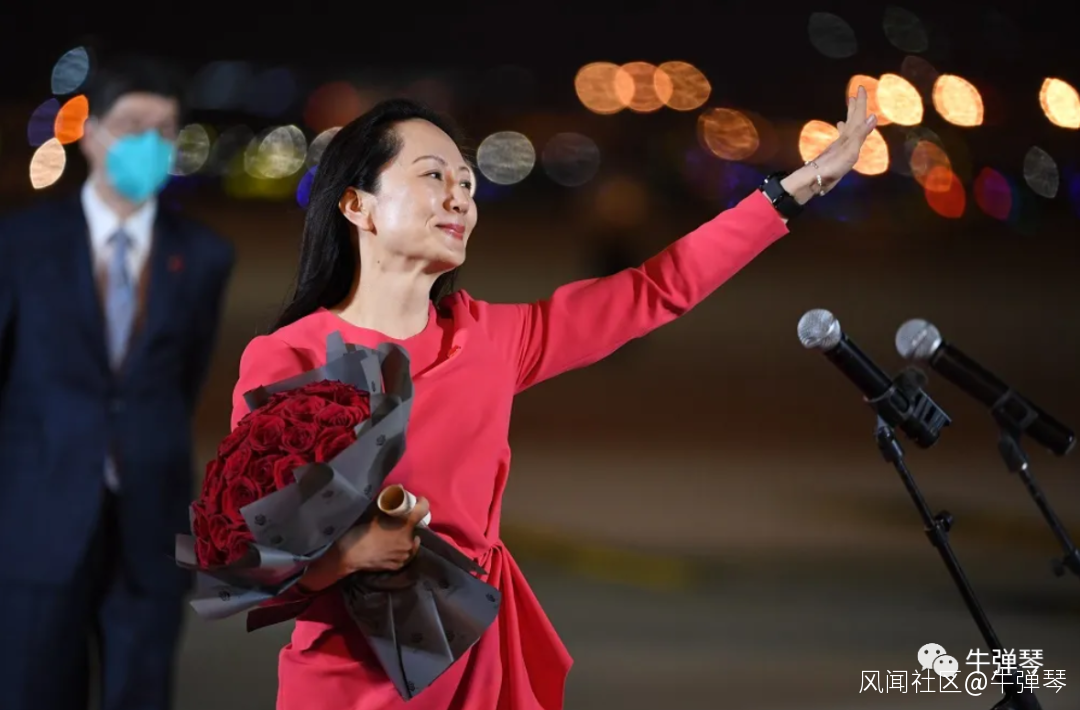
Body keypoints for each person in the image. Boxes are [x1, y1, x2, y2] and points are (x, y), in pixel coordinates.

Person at [231, 89, 876, 710]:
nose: (459, 197)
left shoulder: (490, 338)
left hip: (480, 661)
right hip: (353, 676)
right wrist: (350, 555)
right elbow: (247, 550)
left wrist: (798, 186)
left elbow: (657, 289)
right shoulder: (291, 359)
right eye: (433, 175)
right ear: (357, 205)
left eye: (467, 183)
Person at [0, 55, 235, 710]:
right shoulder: (19, 245)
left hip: (150, 521)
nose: (150, 144)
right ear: (91, 133)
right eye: (133, 126)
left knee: (142, 692)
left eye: (165, 130)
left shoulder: (205, 255)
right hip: (35, 518)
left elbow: (185, 377)